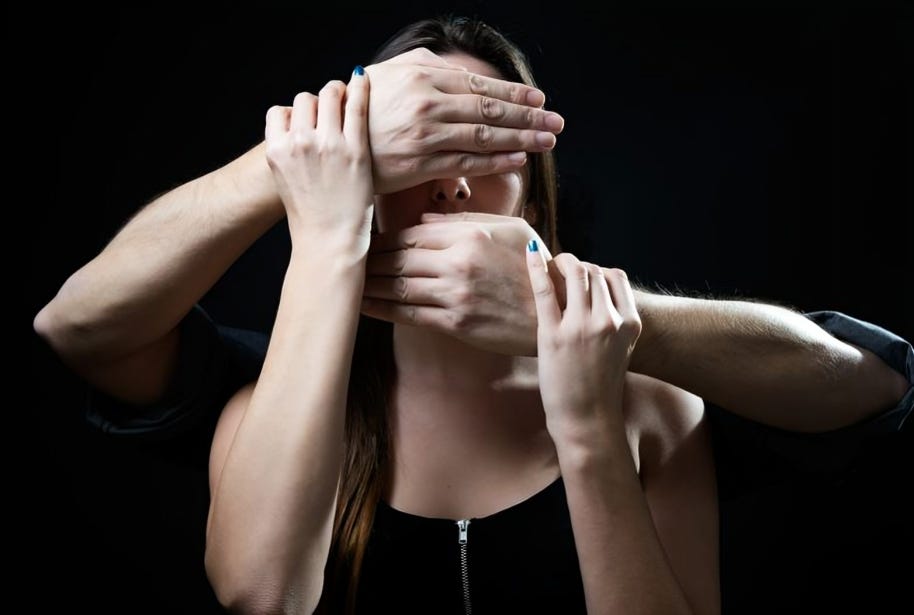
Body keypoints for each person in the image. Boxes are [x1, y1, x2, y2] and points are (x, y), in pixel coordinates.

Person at [34, 15, 911, 615]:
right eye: (416, 148)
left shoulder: (653, 411)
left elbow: (875, 377)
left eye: (484, 148)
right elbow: (263, 597)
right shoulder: (258, 412)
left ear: (533, 197)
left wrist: (585, 417)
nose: (453, 182)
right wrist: (322, 214)